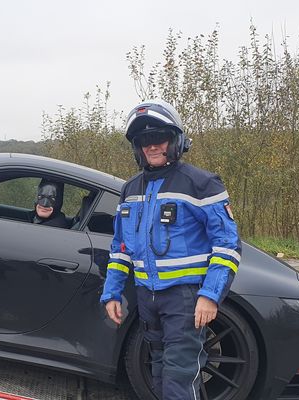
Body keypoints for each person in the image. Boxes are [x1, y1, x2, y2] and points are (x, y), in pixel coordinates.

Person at [100, 100, 241, 399]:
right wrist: (111, 292)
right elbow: (121, 248)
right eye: (144, 141)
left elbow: (227, 245)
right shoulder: (130, 189)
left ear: (174, 140)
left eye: (158, 138)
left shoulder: (202, 183)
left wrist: (210, 295)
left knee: (180, 376)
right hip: (147, 297)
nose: (151, 146)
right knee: (160, 373)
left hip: (185, 299)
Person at [0, 179, 69, 228]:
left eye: (51, 199)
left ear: (59, 202)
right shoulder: (42, 219)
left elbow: (10, 242)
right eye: (41, 197)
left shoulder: (53, 227)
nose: (44, 204)